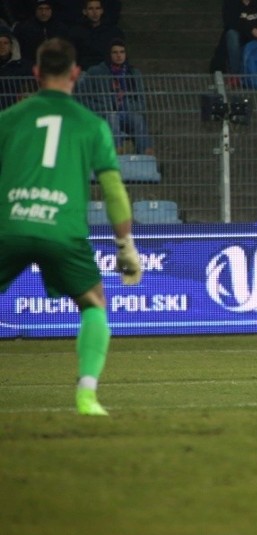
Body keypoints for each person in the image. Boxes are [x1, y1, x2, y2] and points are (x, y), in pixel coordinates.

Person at [0, 38, 141, 415]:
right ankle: (87, 394)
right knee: (94, 302)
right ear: (76, 74)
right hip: (63, 231)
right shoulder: (91, 125)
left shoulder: (9, 119)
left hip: (9, 226)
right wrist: (125, 244)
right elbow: (112, 189)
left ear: (35, 73)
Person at [79, 38, 154, 155]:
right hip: (103, 113)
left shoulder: (133, 73)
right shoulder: (95, 72)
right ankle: (116, 153)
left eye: (122, 52)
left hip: (126, 112)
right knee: (112, 118)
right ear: (109, 54)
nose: (119, 56)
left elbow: (141, 103)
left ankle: (146, 155)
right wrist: (105, 107)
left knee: (138, 120)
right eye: (115, 52)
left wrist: (124, 104)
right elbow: (83, 98)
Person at [68, 0, 124, 70]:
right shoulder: (76, 32)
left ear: (102, 11)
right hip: (84, 71)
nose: (95, 12)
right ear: (85, 11)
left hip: (106, 70)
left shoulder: (113, 32)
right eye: (91, 8)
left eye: (98, 8)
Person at [0, 25, 34, 110]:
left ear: (12, 46)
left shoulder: (24, 66)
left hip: (17, 110)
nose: (2, 46)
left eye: (5, 43)